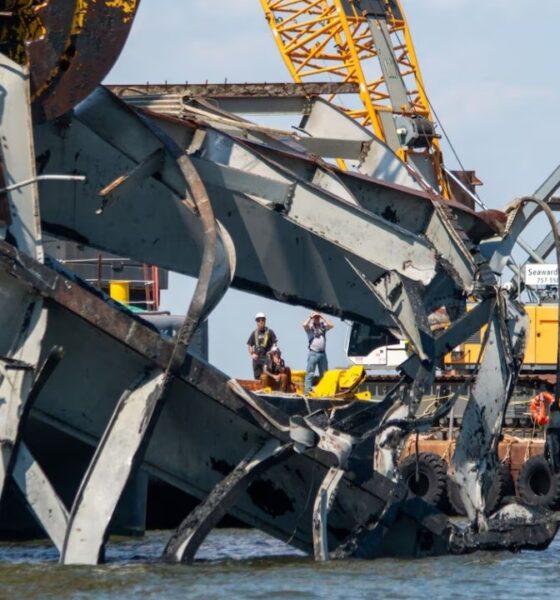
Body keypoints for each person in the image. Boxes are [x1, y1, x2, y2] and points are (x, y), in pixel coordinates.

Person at [303, 311, 334, 395]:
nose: (317, 318)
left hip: (322, 354)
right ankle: (307, 392)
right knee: (310, 373)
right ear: (313, 318)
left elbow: (332, 325)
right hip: (313, 353)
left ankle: (324, 391)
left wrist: (322, 317)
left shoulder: (322, 326)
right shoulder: (310, 327)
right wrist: (310, 317)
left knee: (324, 374)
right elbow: (304, 325)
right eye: (315, 317)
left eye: (318, 317)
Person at [247, 312, 278, 379]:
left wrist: (273, 354)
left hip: (267, 357)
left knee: (266, 375)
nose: (261, 322)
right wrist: (252, 354)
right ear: (256, 322)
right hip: (257, 358)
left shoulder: (270, 332)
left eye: (262, 320)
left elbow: (275, 344)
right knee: (257, 377)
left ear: (265, 321)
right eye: (258, 320)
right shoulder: (254, 333)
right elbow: (249, 345)